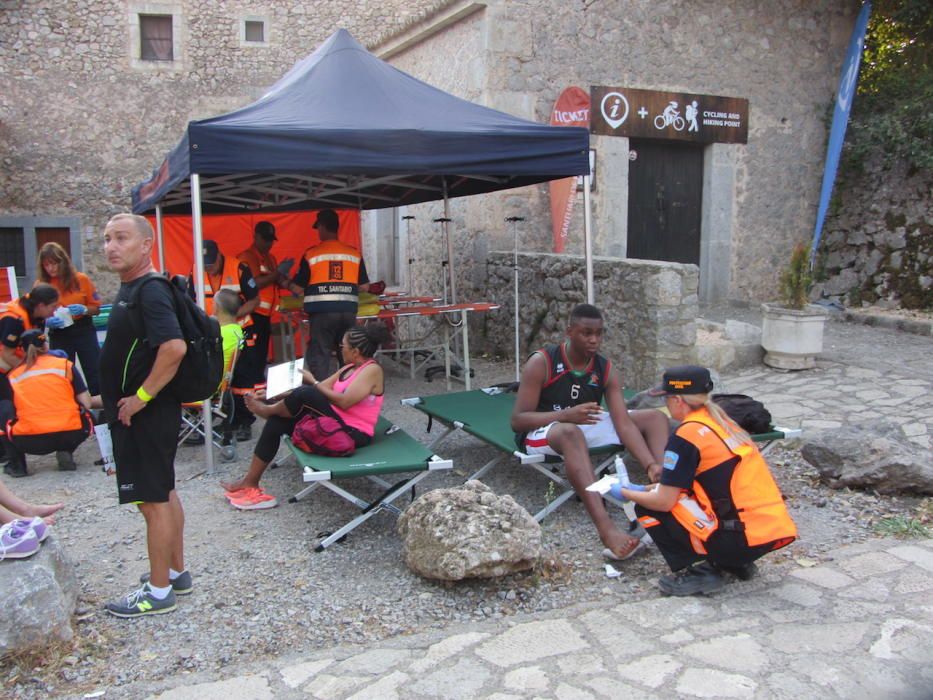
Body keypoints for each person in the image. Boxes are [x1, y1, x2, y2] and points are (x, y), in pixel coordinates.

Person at [619, 365, 797, 596]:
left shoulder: (686, 435)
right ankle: (735, 563)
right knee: (672, 496)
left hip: (737, 538)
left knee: (648, 506)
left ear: (677, 400)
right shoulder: (723, 422)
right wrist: (650, 487)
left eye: (667, 399)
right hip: (769, 531)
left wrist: (624, 492)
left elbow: (664, 501)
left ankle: (699, 570)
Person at [510, 304, 670, 560]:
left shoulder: (605, 369)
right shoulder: (543, 362)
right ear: (569, 331)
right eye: (586, 333)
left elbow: (623, 423)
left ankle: (662, 489)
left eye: (598, 333)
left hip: (583, 423)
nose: (594, 340)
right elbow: (518, 421)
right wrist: (564, 416)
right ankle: (607, 529)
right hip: (542, 430)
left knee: (655, 417)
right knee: (571, 432)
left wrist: (650, 463)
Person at [99, 213, 190, 618]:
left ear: (145, 244)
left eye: (121, 238)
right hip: (144, 413)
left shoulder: (149, 290)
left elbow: (174, 348)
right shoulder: (133, 288)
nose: (111, 246)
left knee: (152, 500)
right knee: (163, 492)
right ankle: (175, 573)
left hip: (145, 414)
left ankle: (158, 592)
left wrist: (138, 398)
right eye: (106, 239)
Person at [221, 322, 390, 510]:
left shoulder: (372, 370)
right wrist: (271, 393)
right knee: (278, 422)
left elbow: (343, 401)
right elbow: (318, 388)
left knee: (307, 393)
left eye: (342, 346)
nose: (339, 349)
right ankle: (250, 481)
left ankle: (267, 411)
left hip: (352, 434)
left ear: (356, 351)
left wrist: (313, 381)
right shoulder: (348, 368)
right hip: (332, 423)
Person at [287, 209, 370, 381]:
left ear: (323, 227)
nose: (318, 232)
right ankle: (346, 388)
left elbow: (297, 288)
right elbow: (365, 286)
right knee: (346, 352)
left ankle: (320, 393)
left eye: (318, 228)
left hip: (322, 314)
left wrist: (285, 281)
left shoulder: (311, 254)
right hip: (348, 312)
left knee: (321, 353)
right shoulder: (354, 254)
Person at [191, 239, 259, 441]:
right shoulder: (195, 270)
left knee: (243, 378)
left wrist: (231, 317)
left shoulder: (239, 267)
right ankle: (227, 419)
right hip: (213, 332)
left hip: (240, 328)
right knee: (221, 375)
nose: (209, 269)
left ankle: (244, 420)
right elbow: (191, 300)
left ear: (220, 256)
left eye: (212, 264)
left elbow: (254, 299)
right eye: (205, 265)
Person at [0, 329, 94, 475]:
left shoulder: (14, 375)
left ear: (23, 350)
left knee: (3, 408)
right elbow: (86, 403)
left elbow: (12, 410)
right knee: (86, 414)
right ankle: (65, 450)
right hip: (69, 435)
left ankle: (17, 465)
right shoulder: (64, 365)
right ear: (46, 345)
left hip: (29, 440)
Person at [233, 222, 293, 441]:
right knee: (248, 363)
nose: (268, 244)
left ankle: (258, 400)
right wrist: (278, 273)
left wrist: (291, 285)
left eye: (271, 240)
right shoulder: (246, 257)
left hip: (264, 318)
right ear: (256, 236)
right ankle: (245, 412)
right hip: (251, 317)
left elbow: (276, 280)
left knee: (259, 362)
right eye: (265, 239)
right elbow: (255, 284)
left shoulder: (270, 258)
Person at [0, 284, 60, 476]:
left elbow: (41, 345)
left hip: (15, 365)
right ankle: (13, 460)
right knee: (6, 409)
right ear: (41, 305)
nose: (55, 311)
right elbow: (7, 353)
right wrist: (29, 373)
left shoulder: (38, 317)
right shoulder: (14, 319)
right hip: (4, 367)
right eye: (53, 307)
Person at [35, 242, 103, 395]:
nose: (51, 268)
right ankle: (70, 406)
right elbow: (33, 314)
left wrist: (85, 309)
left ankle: (101, 408)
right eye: (46, 265)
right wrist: (46, 321)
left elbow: (96, 308)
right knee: (64, 372)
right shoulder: (41, 285)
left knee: (94, 370)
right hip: (59, 332)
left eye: (54, 263)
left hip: (83, 329)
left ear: (63, 262)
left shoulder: (81, 280)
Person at [211, 288, 245, 457]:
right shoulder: (237, 330)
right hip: (221, 383)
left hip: (208, 384)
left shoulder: (218, 332)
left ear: (216, 307)